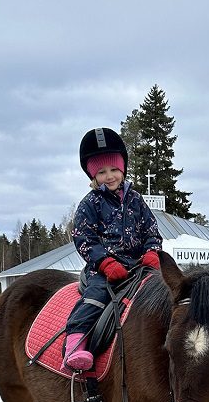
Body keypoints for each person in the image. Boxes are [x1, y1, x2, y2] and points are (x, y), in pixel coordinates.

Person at [63, 127, 163, 371]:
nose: (110, 176)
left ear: (123, 169)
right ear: (93, 176)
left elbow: (151, 230)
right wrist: (105, 262)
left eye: (114, 169)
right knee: (96, 298)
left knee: (167, 293)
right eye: (102, 172)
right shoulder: (91, 203)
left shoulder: (136, 200)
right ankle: (75, 342)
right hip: (104, 269)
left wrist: (152, 252)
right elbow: (83, 237)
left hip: (139, 266)